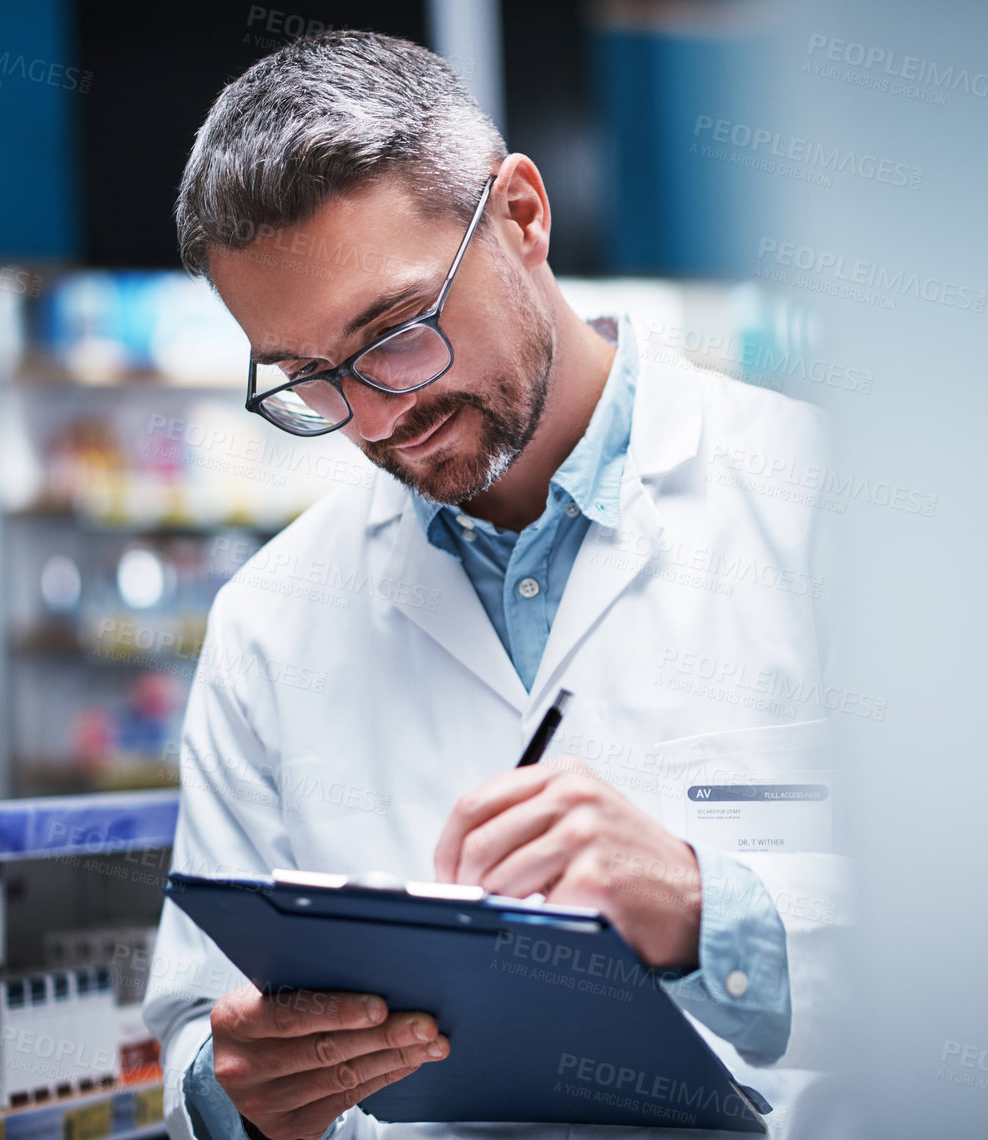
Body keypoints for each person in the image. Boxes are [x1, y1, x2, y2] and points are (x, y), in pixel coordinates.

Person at [140, 30, 849, 1140]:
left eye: (396, 332)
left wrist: (709, 913)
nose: (375, 418)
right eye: (307, 379)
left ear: (522, 213)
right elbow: (196, 1024)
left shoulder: (829, 510)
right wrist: (232, 1096)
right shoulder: (272, 619)